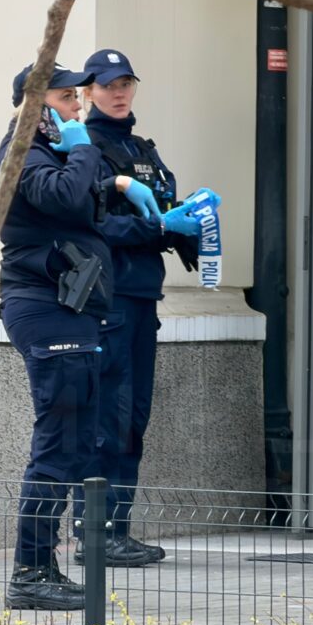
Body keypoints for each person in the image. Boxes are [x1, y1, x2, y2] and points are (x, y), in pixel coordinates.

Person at [0, 61, 157, 609]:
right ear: (38, 107)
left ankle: (46, 565)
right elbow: (62, 197)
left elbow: (85, 202)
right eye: (68, 99)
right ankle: (30, 572)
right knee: (59, 443)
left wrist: (118, 180)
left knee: (82, 440)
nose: (78, 107)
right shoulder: (23, 154)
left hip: (74, 310)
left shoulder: (54, 151)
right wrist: (87, 145)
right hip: (45, 310)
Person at [72, 49, 203, 568]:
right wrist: (161, 226)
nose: (119, 91)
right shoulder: (86, 150)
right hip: (111, 300)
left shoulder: (142, 149)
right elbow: (95, 225)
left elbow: (165, 209)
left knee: (133, 418)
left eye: (125, 82)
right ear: (88, 93)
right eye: (107, 84)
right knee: (110, 417)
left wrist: (191, 216)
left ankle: (116, 530)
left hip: (143, 298)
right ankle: (96, 535)